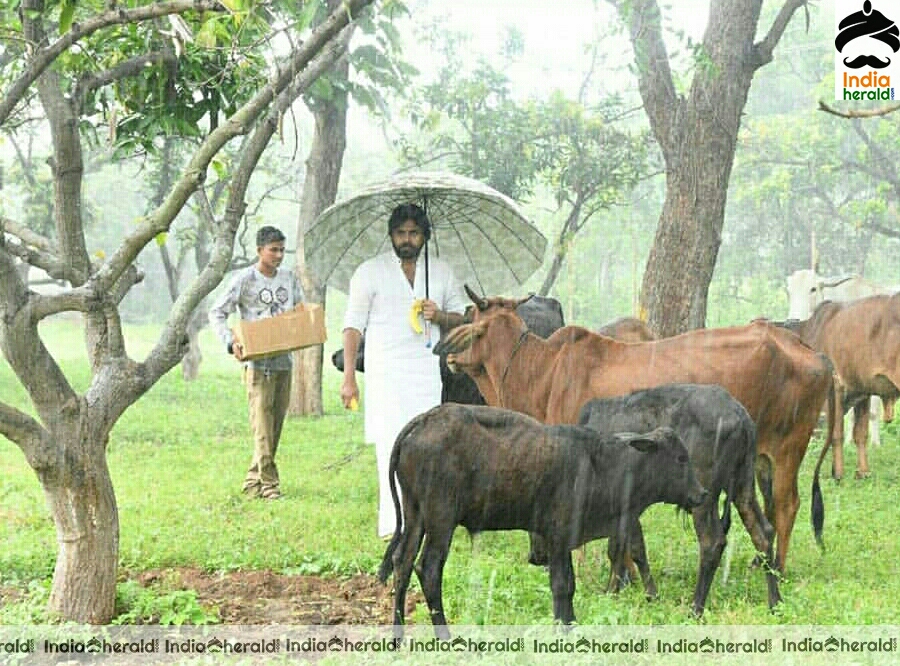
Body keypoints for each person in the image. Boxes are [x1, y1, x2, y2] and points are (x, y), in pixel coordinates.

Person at [341, 203, 467, 538]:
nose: (407, 239)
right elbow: (352, 327)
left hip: (426, 373)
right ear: (391, 235)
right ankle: (392, 523)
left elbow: (462, 317)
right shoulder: (370, 271)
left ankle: (427, 519)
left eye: (413, 232)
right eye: (400, 233)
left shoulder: (440, 271)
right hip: (386, 373)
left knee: (429, 446)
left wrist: (439, 316)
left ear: (425, 235)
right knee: (390, 443)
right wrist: (349, 378)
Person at [209, 226, 305, 500]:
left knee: (274, 428)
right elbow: (217, 312)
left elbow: (299, 310)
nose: (278, 255)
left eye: (281, 250)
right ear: (259, 250)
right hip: (257, 364)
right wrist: (231, 342)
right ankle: (270, 485)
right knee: (261, 426)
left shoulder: (289, 278)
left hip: (284, 361)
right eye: (273, 250)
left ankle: (253, 482)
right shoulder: (245, 279)